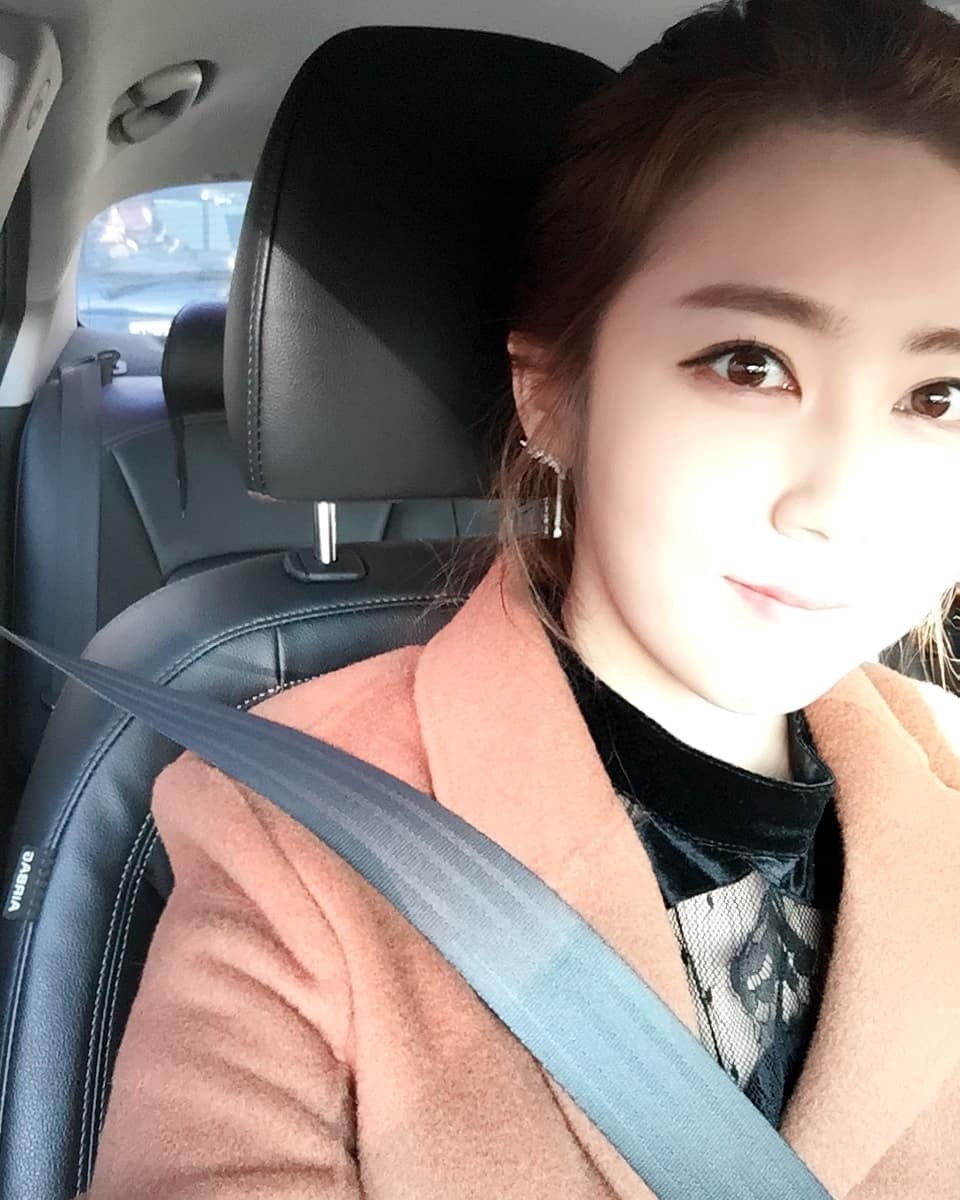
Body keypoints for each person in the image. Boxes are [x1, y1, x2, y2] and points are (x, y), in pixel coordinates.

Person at [82, 1, 960, 1196]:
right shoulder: (294, 837)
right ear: (551, 392)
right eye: (748, 364)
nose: (839, 506)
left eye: (941, 396)